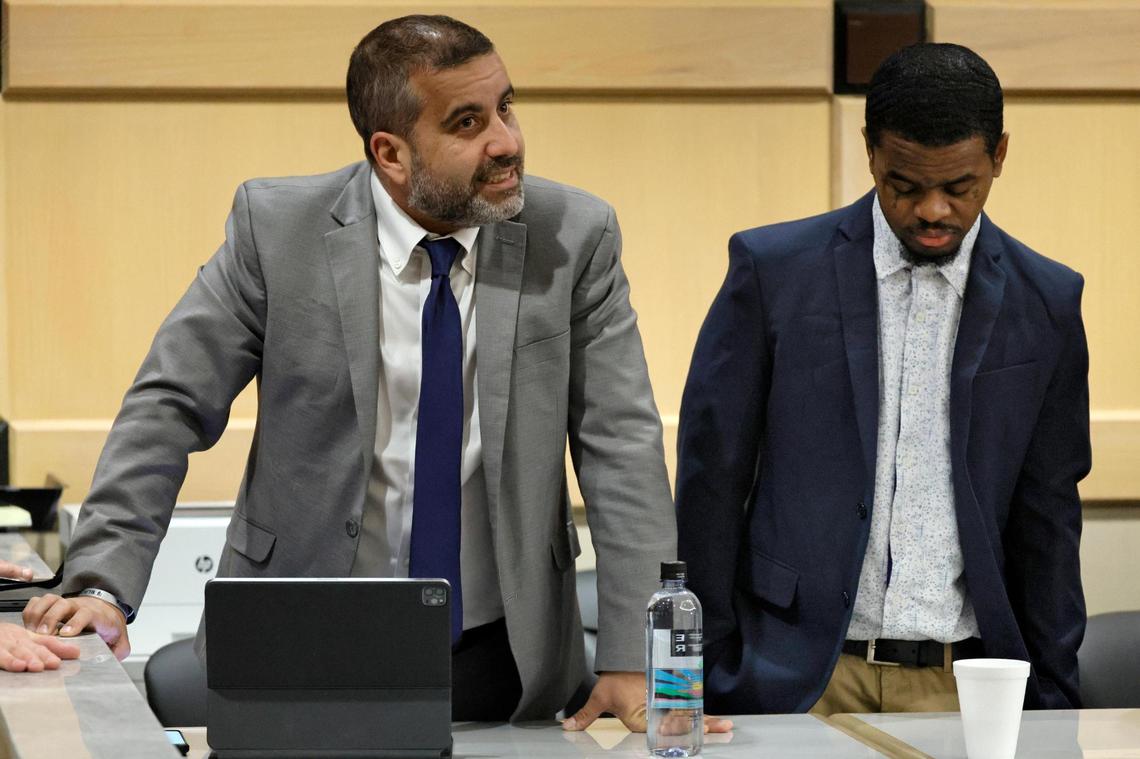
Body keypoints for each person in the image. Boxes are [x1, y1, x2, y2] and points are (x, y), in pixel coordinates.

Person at [7, 14, 692, 730]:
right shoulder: (276, 231)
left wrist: (640, 657)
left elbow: (621, 445)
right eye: (467, 122)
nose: (507, 142)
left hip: (504, 652)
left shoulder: (574, 235)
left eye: (506, 107)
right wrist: (103, 585)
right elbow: (167, 404)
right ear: (390, 152)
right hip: (301, 637)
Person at [676, 42, 1090, 715]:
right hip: (793, 677)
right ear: (871, 151)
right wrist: (703, 669)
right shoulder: (772, 271)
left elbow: (1049, 519)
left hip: (961, 683)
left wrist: (1055, 699)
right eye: (903, 184)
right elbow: (711, 479)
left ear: (1000, 155)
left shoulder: (1046, 301)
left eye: (959, 187)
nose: (931, 210)